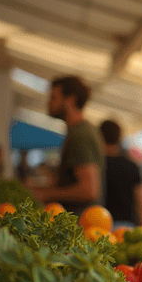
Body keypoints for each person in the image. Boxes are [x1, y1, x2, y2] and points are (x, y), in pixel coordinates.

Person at [30, 76, 104, 216]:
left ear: (70, 100)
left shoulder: (80, 135)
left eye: (53, 98)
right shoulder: (83, 130)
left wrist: (46, 194)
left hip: (80, 225)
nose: (49, 103)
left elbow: (89, 190)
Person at [99, 120, 142, 227]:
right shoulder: (131, 166)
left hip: (101, 224)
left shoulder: (97, 166)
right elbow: (141, 201)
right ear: (119, 137)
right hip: (127, 226)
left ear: (100, 136)